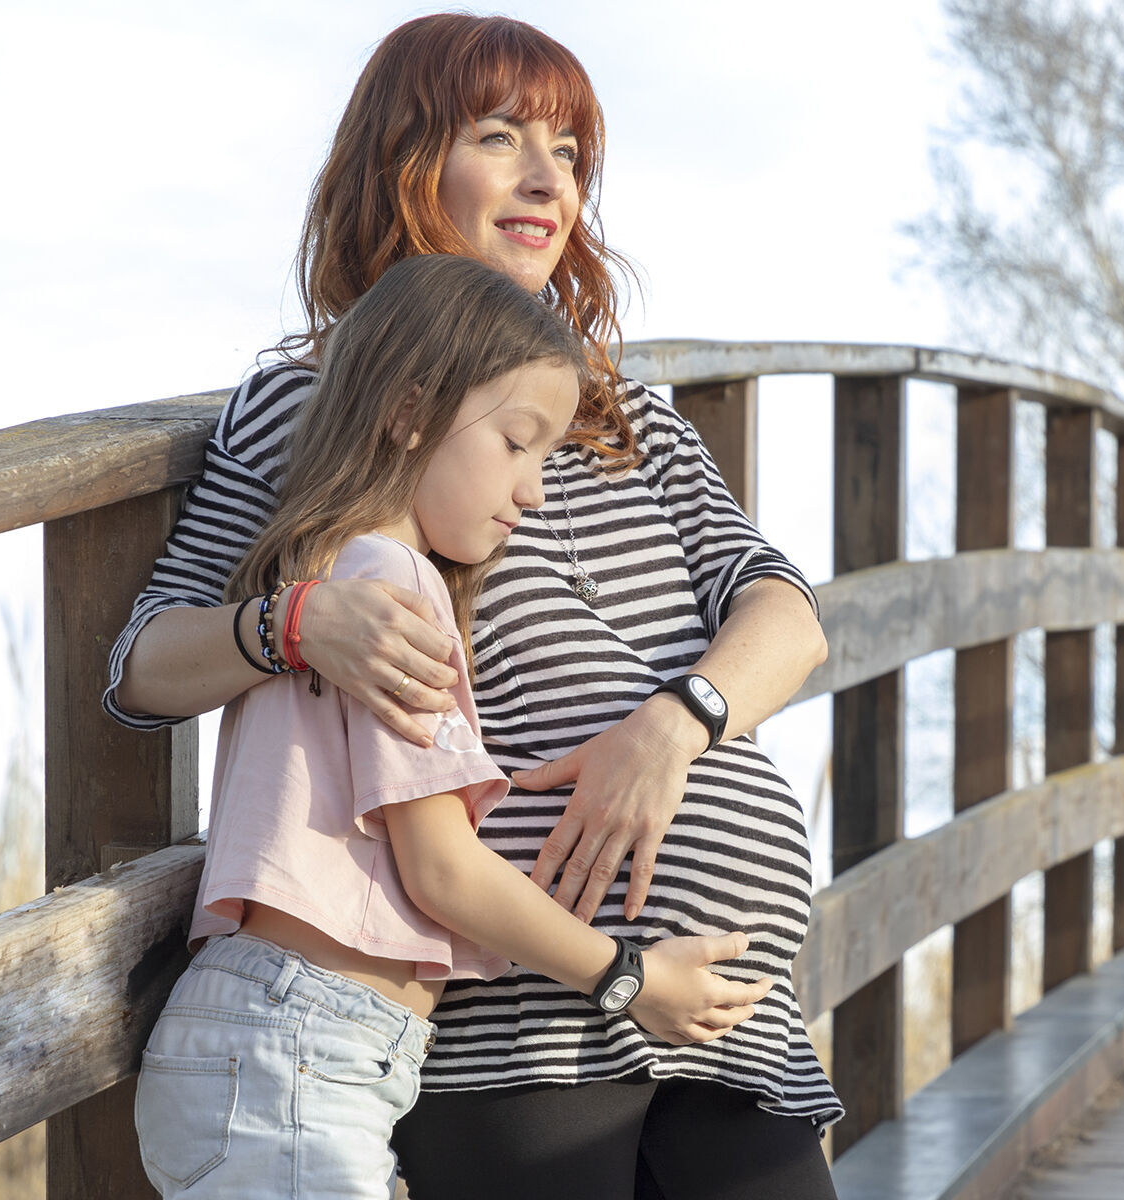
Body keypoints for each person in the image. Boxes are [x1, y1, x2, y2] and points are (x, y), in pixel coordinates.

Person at [108, 13, 842, 1199]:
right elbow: (144, 662)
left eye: (569, 150)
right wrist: (289, 627)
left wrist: (673, 728)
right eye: (501, 137)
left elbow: (788, 616)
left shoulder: (628, 416)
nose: (548, 178)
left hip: (725, 1017)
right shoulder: (313, 403)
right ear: (406, 164)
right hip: (521, 1039)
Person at [133, 253, 769, 1200]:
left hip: (293, 1049)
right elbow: (440, 868)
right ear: (411, 410)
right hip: (299, 1049)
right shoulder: (388, 590)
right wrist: (629, 978)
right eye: (518, 443)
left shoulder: (328, 571)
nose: (537, 490)